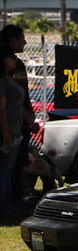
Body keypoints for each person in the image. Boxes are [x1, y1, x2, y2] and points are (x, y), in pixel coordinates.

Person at [0, 24, 26, 220]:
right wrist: (7, 133)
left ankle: (9, 204)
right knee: (4, 172)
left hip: (15, 127)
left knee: (9, 172)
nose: (14, 61)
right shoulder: (3, 81)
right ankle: (4, 208)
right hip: (8, 130)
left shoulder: (9, 77)